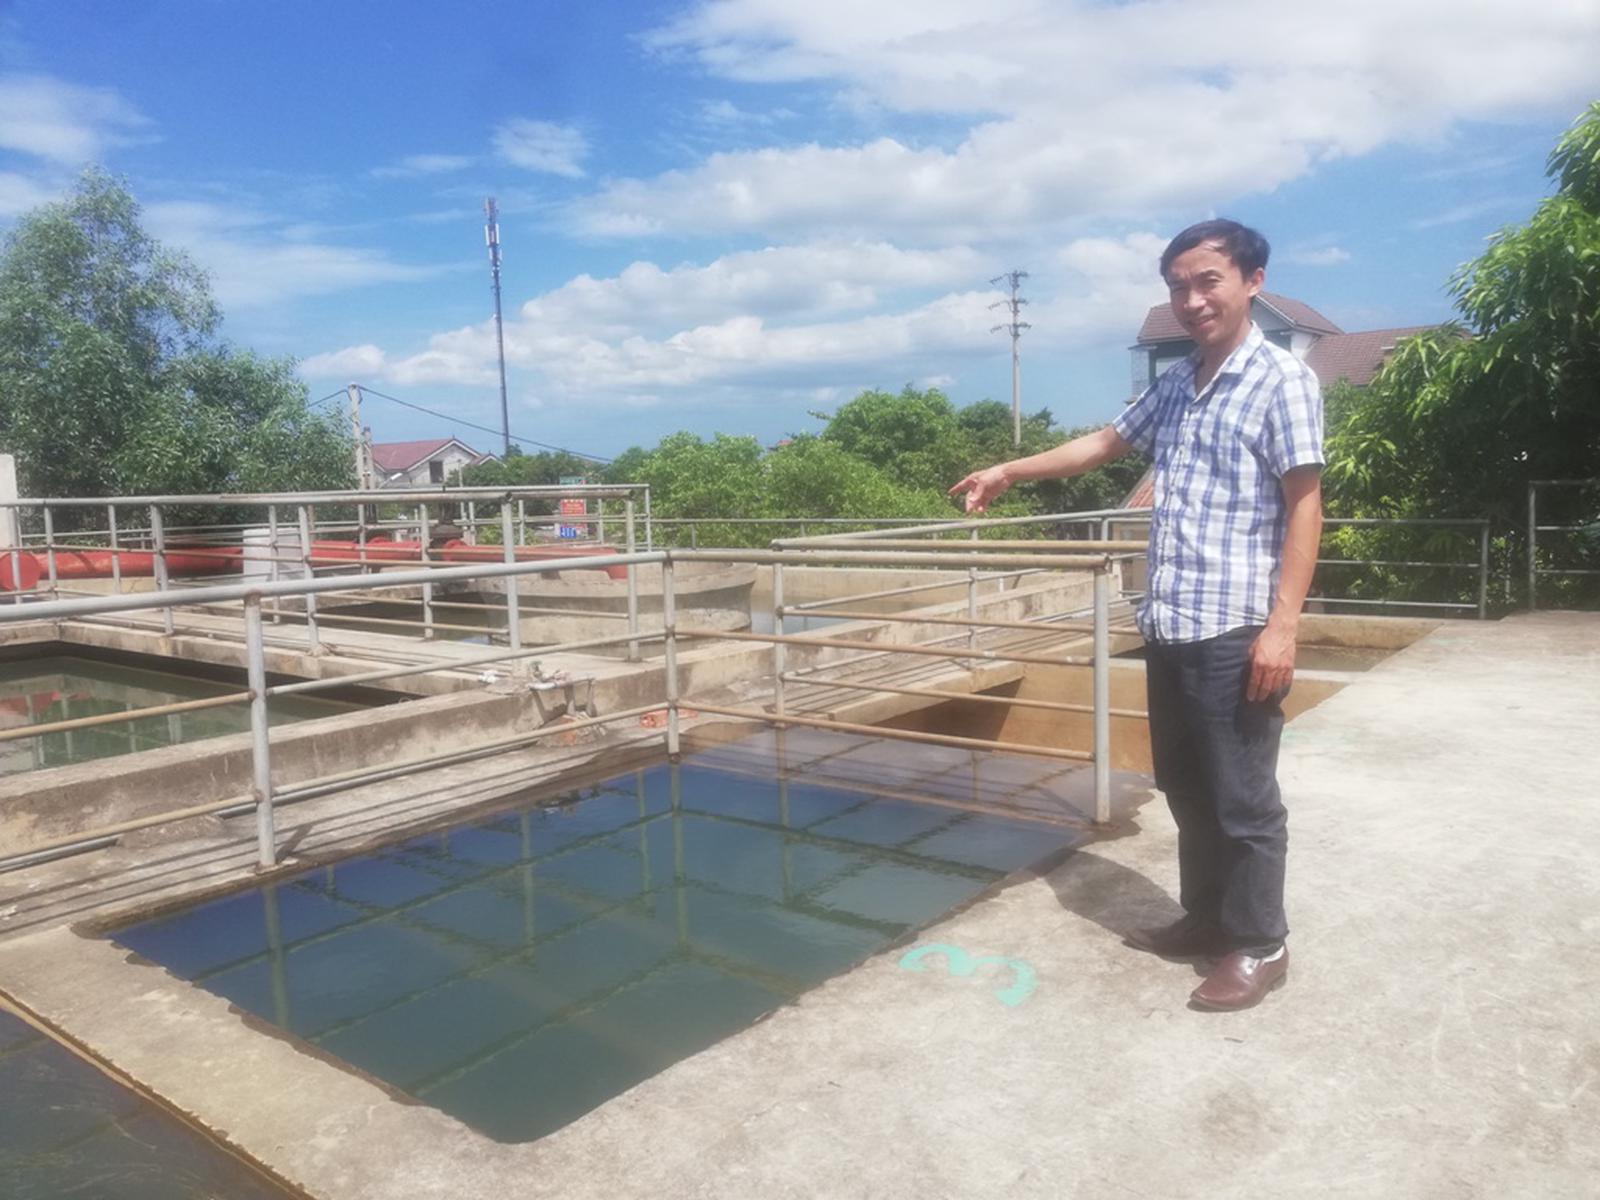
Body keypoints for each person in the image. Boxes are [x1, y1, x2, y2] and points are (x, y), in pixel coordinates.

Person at [949, 219, 1324, 1011]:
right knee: (1185, 785)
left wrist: (1283, 625)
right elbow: (1104, 443)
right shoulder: (1180, 382)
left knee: (1243, 798)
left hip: (1235, 627)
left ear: (1253, 281)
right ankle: (1208, 919)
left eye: (1208, 281)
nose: (1192, 300)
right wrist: (1011, 469)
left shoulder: (1282, 381)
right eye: (1178, 287)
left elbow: (1305, 505)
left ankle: (1261, 943)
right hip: (1172, 620)